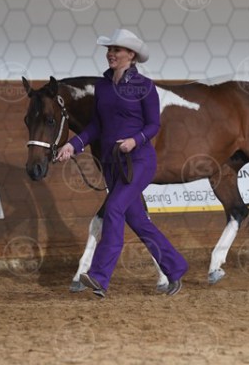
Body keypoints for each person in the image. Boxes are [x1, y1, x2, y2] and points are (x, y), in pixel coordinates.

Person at [56, 28, 188, 297]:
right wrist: (73, 144)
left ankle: (99, 277)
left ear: (131, 55)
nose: (110, 54)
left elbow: (153, 125)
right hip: (111, 164)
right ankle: (175, 267)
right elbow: (96, 126)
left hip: (139, 161)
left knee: (114, 209)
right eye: (109, 50)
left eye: (116, 50)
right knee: (138, 221)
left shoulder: (145, 86)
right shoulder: (103, 87)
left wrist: (134, 140)